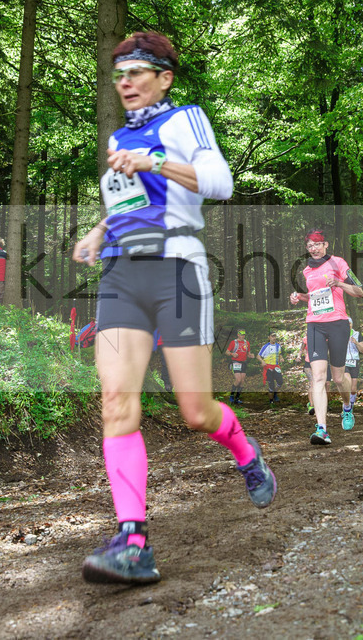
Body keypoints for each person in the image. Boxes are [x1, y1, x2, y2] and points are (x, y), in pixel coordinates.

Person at [71, 30, 276, 585]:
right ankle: (132, 539)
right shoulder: (119, 136)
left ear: (163, 77)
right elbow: (128, 202)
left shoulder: (185, 119)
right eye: (119, 74)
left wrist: (156, 160)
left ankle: (244, 449)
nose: (126, 82)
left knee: (195, 411)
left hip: (178, 270)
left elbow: (220, 183)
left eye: (137, 72)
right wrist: (97, 232)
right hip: (120, 275)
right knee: (117, 402)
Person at [290, 229, 363, 444]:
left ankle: (347, 407)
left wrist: (339, 283)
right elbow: (314, 298)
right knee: (319, 378)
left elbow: (359, 291)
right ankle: (322, 429)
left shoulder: (338, 263)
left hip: (338, 324)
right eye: (310, 246)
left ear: (326, 245)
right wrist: (298, 296)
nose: (313, 248)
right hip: (314, 325)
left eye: (317, 244)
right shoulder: (306, 270)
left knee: (339, 378)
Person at [225, 329, 251, 404]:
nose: (243, 336)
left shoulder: (247, 343)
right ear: (238, 335)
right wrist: (232, 354)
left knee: (242, 381)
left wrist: (250, 355)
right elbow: (227, 352)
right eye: (241, 334)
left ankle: (237, 398)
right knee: (238, 380)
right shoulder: (234, 342)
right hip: (235, 362)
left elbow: (248, 353)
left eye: (244, 334)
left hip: (243, 363)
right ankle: (232, 395)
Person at [257, 332, 283, 404]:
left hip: (276, 366)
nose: (274, 338)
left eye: (275, 336)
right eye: (272, 336)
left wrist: (281, 358)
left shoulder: (278, 346)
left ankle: (274, 393)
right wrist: (262, 361)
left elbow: (280, 354)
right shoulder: (265, 346)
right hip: (268, 367)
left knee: (280, 382)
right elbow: (258, 356)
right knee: (271, 384)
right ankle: (271, 401)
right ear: (269, 337)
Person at [344, 318, 363, 406]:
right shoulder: (339, 334)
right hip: (344, 362)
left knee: (353, 388)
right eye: (346, 323)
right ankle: (346, 406)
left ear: (352, 324)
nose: (348, 325)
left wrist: (356, 342)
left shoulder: (357, 334)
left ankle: (351, 405)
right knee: (347, 384)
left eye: (349, 323)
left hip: (354, 361)